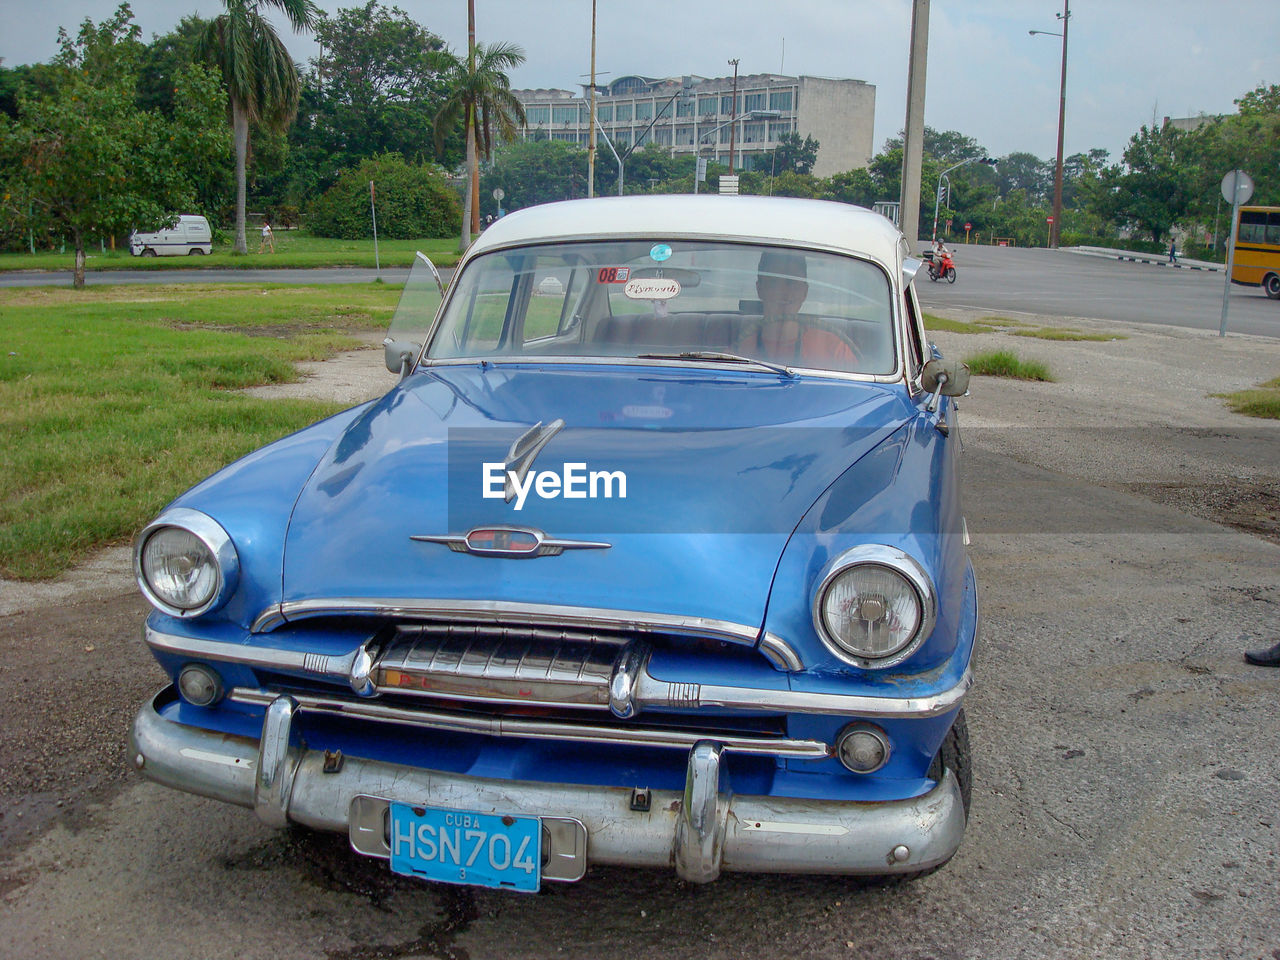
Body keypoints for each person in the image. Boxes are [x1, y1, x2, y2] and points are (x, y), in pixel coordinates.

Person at [738, 250, 856, 368]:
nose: (785, 291)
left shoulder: (833, 348)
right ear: (760, 289)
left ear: (804, 291)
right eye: (775, 282)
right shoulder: (739, 352)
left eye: (792, 282)